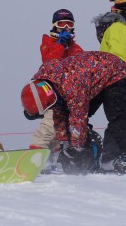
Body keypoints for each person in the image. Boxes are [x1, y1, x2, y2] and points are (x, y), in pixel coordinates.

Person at [21, 51, 126, 175]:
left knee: (116, 116)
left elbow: (78, 120)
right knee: (71, 124)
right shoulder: (48, 87)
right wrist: (65, 143)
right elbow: (59, 118)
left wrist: (76, 148)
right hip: (90, 80)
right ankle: (90, 155)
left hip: (114, 72)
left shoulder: (71, 88)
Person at [31, 8, 85, 155]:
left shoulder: (75, 48)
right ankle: (35, 153)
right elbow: (50, 62)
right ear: (55, 25)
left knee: (61, 127)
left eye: (69, 24)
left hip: (69, 94)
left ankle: (53, 158)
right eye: (61, 24)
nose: (66, 28)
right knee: (49, 123)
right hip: (53, 93)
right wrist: (61, 45)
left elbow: (81, 66)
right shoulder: (48, 42)